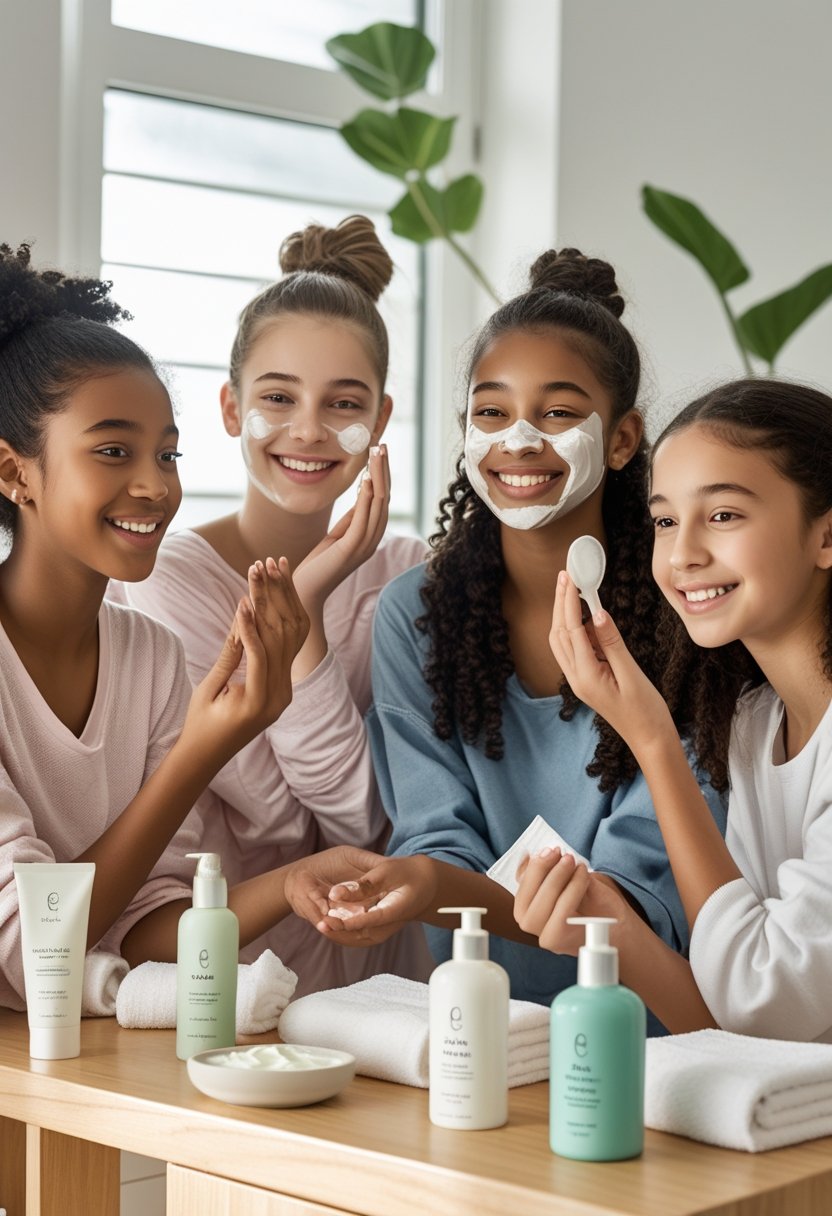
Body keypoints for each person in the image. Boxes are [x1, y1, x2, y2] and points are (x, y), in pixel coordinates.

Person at [308, 248, 725, 1018]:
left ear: (626, 438)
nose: (519, 440)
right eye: (491, 412)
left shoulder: (689, 613)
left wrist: (437, 886)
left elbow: (636, 902)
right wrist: (428, 880)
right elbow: (436, 838)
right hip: (479, 1022)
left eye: (559, 413)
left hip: (649, 1032)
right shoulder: (414, 616)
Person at [0, 241, 389, 1010]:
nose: (154, 486)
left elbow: (142, 922)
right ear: (14, 473)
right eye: (114, 451)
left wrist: (290, 884)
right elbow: (34, 948)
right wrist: (207, 745)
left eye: (168, 454)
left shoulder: (145, 652)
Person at [120, 215, 431, 992]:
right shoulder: (168, 577)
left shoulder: (409, 573)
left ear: (381, 420)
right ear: (230, 409)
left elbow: (369, 824)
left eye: (343, 402)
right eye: (279, 396)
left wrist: (312, 605)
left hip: (389, 1001)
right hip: (239, 993)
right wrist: (306, 607)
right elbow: (285, 823)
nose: (308, 430)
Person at [521, 377, 832, 1041]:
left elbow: (764, 999)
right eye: (665, 520)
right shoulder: (755, 725)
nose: (684, 553)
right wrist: (613, 927)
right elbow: (743, 1030)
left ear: (826, 537)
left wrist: (654, 741)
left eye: (723, 515)